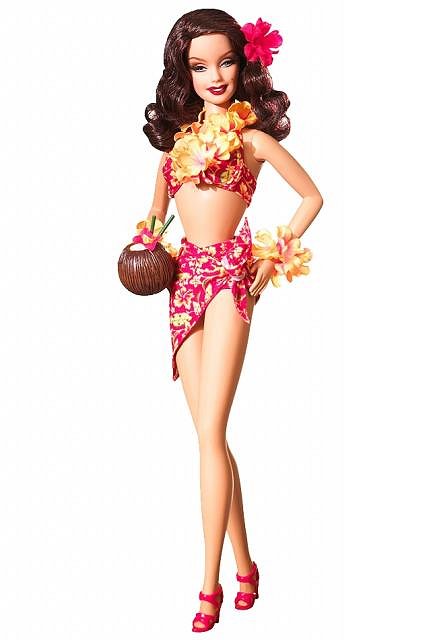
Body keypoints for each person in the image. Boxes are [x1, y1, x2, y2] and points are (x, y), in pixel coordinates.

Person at [142, 9, 323, 632]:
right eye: (199, 66)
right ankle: (247, 565)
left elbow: (312, 197)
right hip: (182, 284)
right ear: (184, 74)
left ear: (244, 65)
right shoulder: (175, 147)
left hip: (229, 280)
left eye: (225, 62)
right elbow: (155, 219)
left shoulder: (253, 142)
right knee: (209, 438)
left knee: (210, 432)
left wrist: (270, 260)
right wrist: (145, 245)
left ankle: (208, 583)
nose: (214, 76)